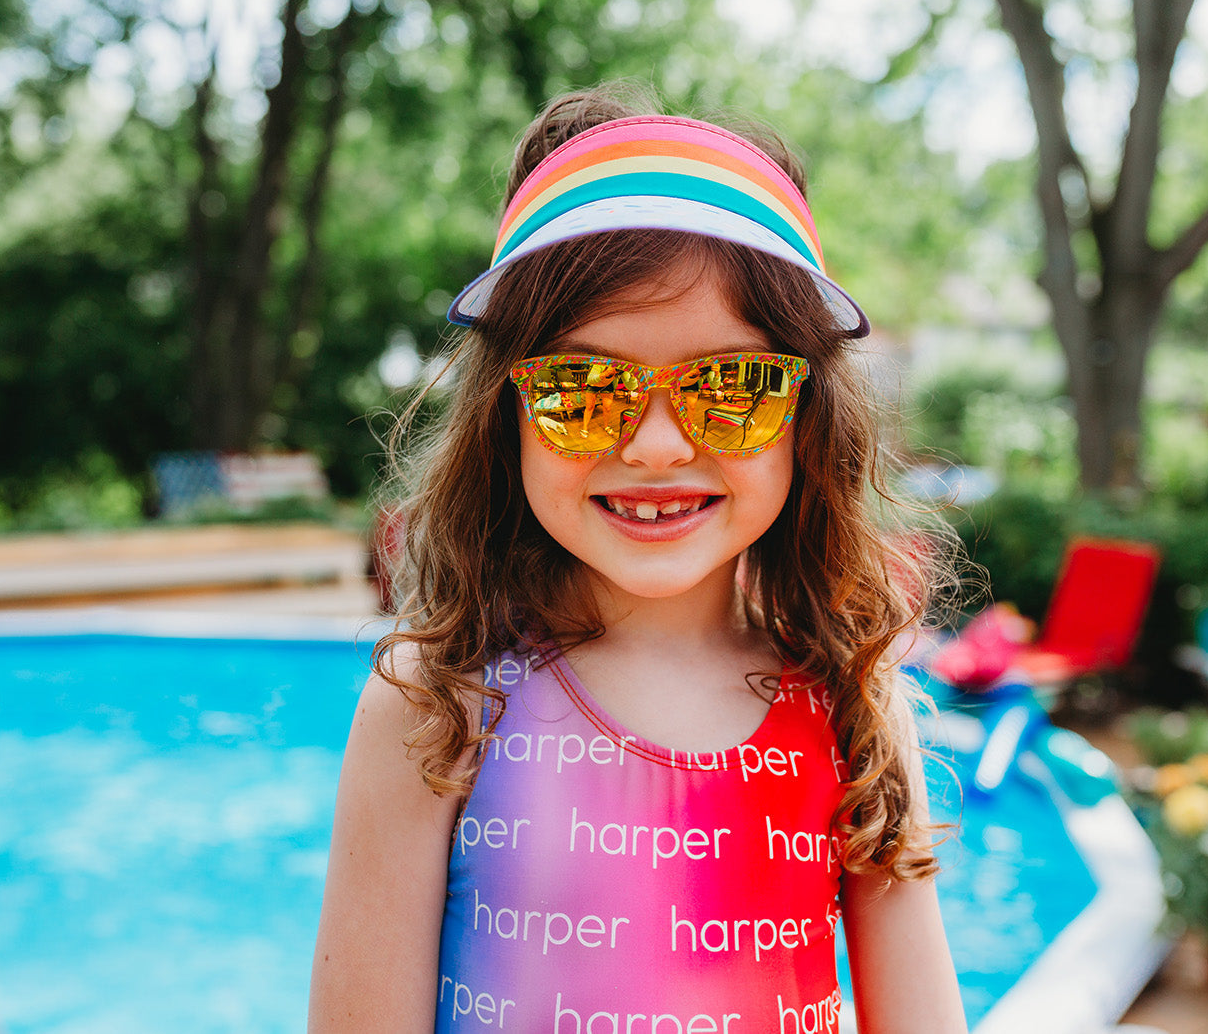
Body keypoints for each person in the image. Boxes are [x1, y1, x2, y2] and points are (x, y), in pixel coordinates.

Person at [309, 84, 967, 1034]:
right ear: (507, 419)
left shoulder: (852, 703)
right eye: (581, 387)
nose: (656, 445)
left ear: (808, 425)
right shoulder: (441, 703)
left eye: (732, 385)